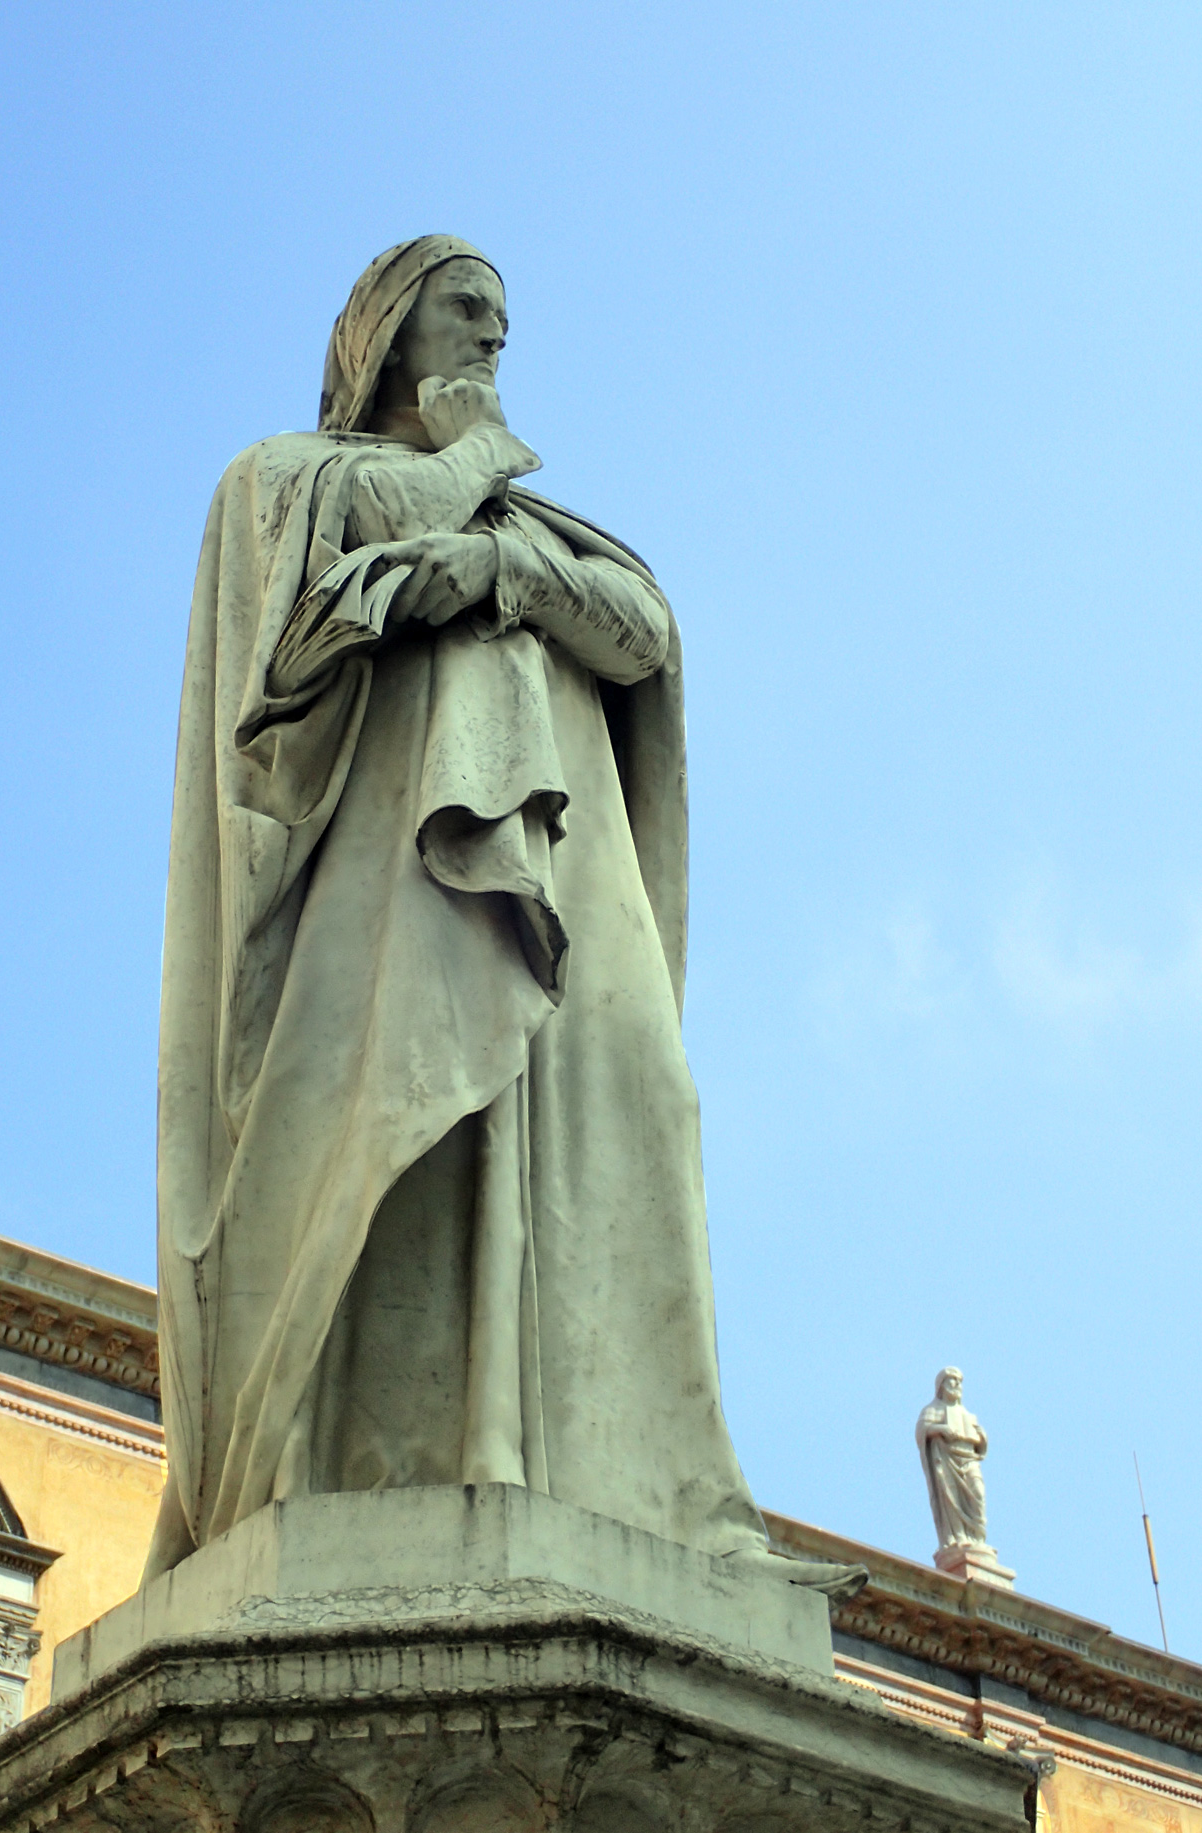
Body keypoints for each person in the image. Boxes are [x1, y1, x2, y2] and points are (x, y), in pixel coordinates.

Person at [148, 236, 769, 1576]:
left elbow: (642, 632)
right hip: (388, 891)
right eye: (465, 309)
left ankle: (601, 1472)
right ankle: (396, 1460)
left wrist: (498, 572)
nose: (493, 337)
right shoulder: (284, 479)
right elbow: (380, 536)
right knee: (414, 1125)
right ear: (382, 329)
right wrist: (480, 465)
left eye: (505, 319)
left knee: (636, 1112)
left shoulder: (535, 530)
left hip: (570, 887)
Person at [915, 1367, 990, 1550]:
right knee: (951, 1498)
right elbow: (921, 1431)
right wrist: (940, 1429)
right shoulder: (932, 1409)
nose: (956, 1384)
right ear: (941, 1386)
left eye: (959, 1381)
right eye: (952, 1380)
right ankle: (958, 1538)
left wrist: (981, 1437)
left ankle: (977, 1539)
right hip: (946, 1459)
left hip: (969, 1458)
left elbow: (981, 1443)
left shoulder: (968, 1414)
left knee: (978, 1493)